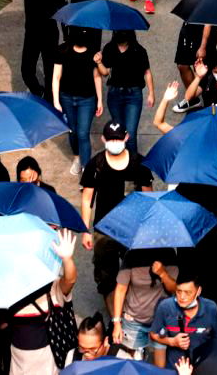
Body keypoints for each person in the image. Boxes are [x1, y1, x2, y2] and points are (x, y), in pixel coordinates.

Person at [80, 121, 153, 305]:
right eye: (111, 139)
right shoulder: (95, 165)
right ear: (103, 139)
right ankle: (114, 322)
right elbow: (87, 199)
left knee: (138, 274)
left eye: (118, 139)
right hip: (104, 231)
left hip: (133, 231)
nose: (114, 142)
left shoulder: (139, 164)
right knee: (107, 280)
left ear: (126, 138)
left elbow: (149, 198)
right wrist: (85, 230)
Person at [6, 230, 78, 375]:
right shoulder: (10, 290)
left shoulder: (52, 289)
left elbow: (69, 280)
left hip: (47, 367)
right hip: (18, 365)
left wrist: (67, 259)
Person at [51, 28, 104, 174]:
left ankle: (87, 170)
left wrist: (100, 100)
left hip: (87, 99)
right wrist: (56, 100)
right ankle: (77, 158)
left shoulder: (93, 52)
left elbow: (97, 76)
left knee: (82, 133)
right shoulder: (62, 50)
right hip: (66, 98)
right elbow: (56, 77)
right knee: (72, 131)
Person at [96, 29, 154, 152]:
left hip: (133, 96)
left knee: (131, 134)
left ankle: (132, 166)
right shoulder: (109, 48)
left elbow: (147, 72)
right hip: (114, 95)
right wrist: (99, 62)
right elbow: (105, 72)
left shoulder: (139, 50)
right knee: (119, 132)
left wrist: (151, 93)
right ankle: (121, 162)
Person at [149, 272, 217, 368]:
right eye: (179, 291)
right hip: (173, 367)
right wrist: (172, 342)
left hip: (201, 367)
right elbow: (153, 334)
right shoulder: (165, 307)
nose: (182, 297)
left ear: (198, 291)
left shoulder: (211, 309)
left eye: (188, 292)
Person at [112, 261, 176, 358]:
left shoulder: (168, 254)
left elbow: (174, 289)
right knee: (134, 362)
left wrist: (163, 274)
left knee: (159, 367)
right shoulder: (131, 256)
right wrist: (117, 323)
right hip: (133, 320)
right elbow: (120, 290)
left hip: (159, 321)